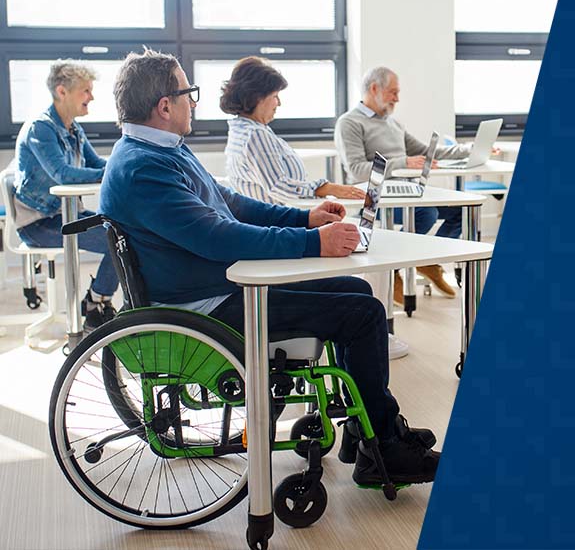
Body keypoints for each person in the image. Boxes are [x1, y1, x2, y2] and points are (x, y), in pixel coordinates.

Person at [100, 48, 439, 486]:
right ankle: (385, 451)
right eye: (189, 93)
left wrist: (304, 218)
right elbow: (217, 237)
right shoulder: (143, 168)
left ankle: (368, 428)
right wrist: (313, 242)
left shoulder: (158, 150)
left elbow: (231, 204)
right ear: (165, 106)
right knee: (364, 312)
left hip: (212, 289)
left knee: (356, 290)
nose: (195, 102)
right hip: (204, 307)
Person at [335, 66, 470, 301]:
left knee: (460, 212)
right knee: (426, 214)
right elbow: (357, 170)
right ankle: (395, 268)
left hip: (406, 191)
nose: (397, 98)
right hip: (373, 195)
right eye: (393, 92)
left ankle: (426, 261)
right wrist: (402, 162)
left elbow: (428, 152)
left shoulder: (393, 123)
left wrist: (468, 150)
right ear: (374, 88)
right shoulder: (349, 123)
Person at [13, 61, 118, 328]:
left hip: (69, 214)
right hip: (39, 223)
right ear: (62, 92)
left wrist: (122, 168)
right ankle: (95, 305)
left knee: (125, 229)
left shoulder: (72, 128)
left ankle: (96, 300)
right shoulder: (41, 128)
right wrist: (109, 174)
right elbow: (63, 173)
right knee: (115, 240)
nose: (91, 97)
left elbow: (96, 164)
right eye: (85, 90)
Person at [222, 57, 364, 204]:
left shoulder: (242, 129)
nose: (279, 103)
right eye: (275, 96)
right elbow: (279, 187)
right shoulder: (255, 134)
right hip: (274, 223)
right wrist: (329, 188)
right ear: (256, 97)